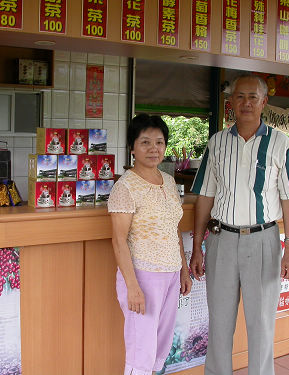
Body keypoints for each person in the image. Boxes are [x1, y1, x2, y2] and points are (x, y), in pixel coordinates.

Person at [190, 73, 289, 375]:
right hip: (221, 241)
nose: (246, 103)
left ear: (264, 102)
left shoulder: (281, 144)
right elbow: (204, 196)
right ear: (230, 102)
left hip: (263, 241)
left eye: (253, 97)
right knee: (219, 324)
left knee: (262, 324)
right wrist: (197, 247)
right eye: (240, 96)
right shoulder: (217, 143)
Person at [108, 114, 192, 375]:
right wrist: (132, 287)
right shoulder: (126, 187)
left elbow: (173, 227)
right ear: (132, 147)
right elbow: (118, 240)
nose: (153, 148)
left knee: (160, 346)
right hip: (142, 276)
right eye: (145, 142)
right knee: (141, 349)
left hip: (170, 275)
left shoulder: (167, 180)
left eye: (159, 142)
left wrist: (183, 270)